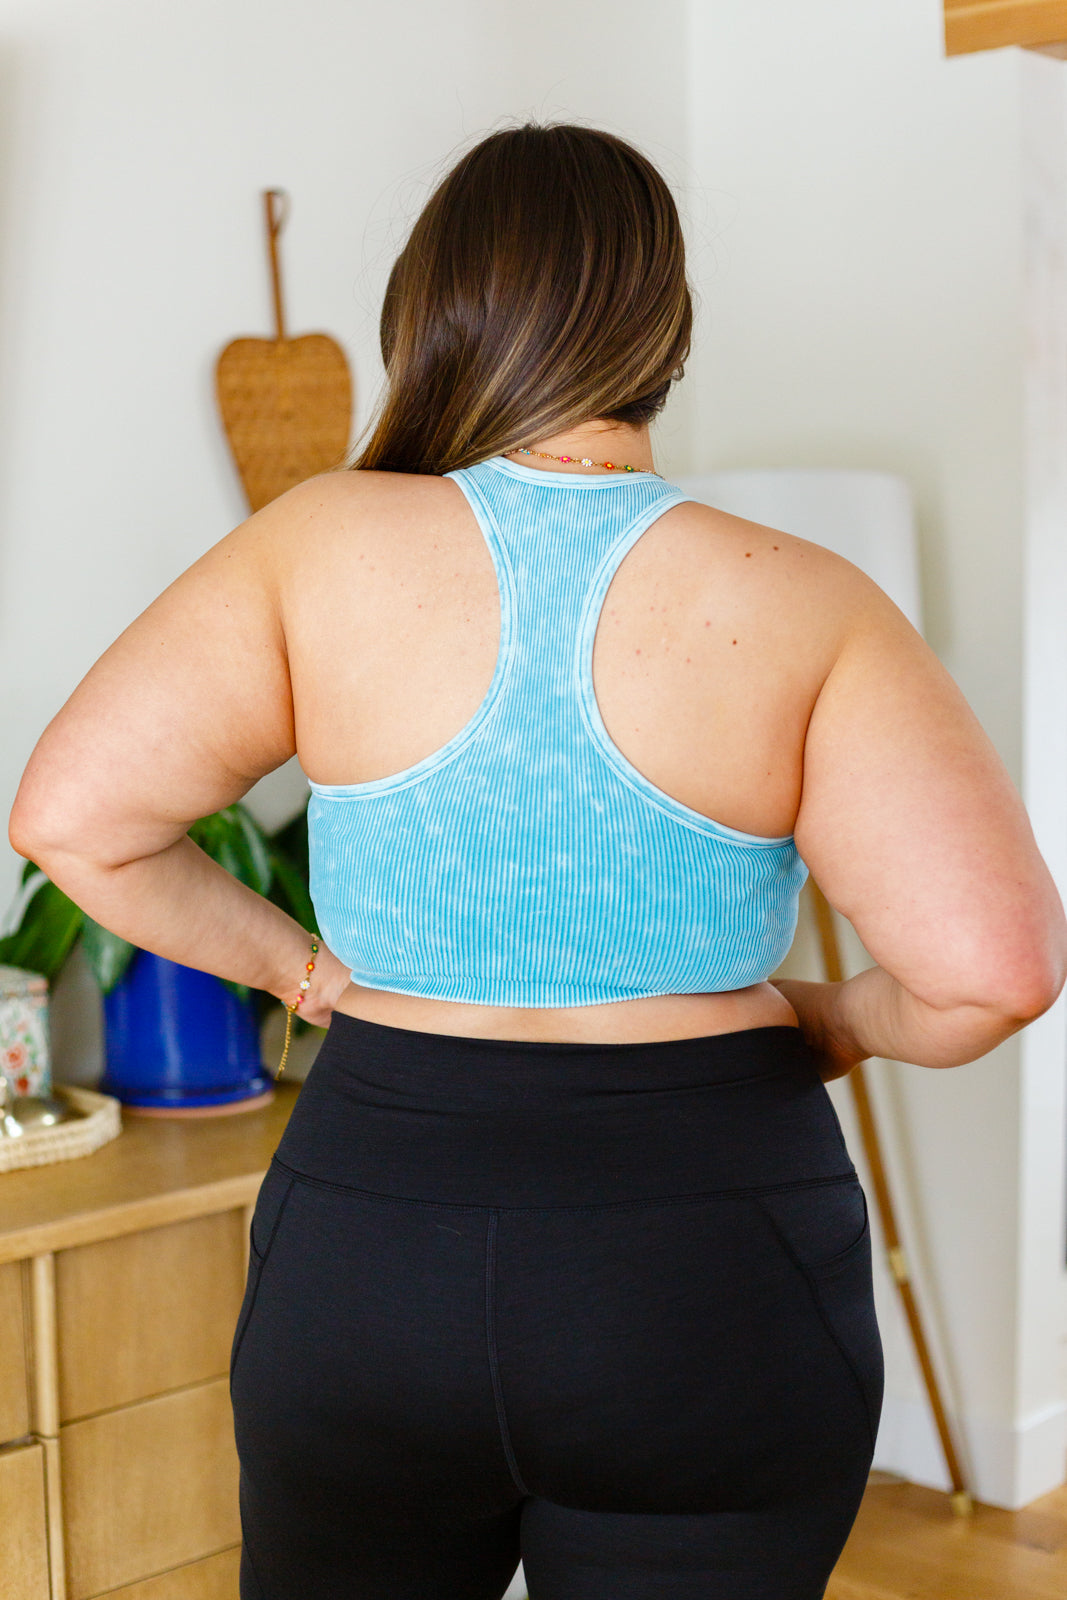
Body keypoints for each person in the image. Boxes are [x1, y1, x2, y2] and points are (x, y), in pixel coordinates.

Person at [8, 122, 1066, 1600]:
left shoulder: (316, 547)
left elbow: (72, 815)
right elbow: (997, 969)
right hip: (704, 1268)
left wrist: (296, 966)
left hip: (375, 1247)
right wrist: (834, 1020)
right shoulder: (807, 600)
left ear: (422, 313)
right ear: (667, 334)